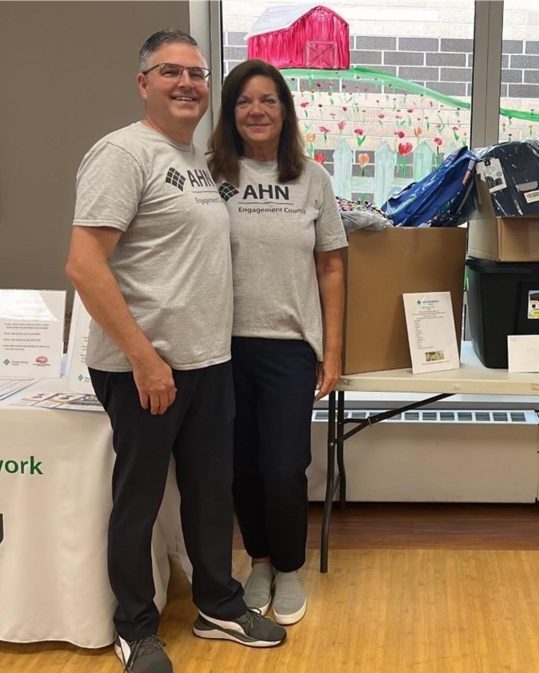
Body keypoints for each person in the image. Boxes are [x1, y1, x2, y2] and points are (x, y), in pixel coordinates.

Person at [66, 30, 286, 672]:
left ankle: (218, 604)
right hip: (145, 369)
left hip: (207, 362)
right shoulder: (122, 154)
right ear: (143, 83)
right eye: (171, 72)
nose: (187, 83)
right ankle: (134, 626)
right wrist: (143, 358)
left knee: (210, 494)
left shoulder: (195, 161)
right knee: (137, 502)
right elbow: (84, 265)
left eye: (197, 73)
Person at [207, 59, 347, 626]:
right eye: (244, 101)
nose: (257, 110)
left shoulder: (312, 179)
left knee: (285, 466)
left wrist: (332, 351)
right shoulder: (209, 175)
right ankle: (260, 562)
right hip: (220, 346)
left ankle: (289, 567)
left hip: (290, 347)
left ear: (285, 110)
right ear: (230, 113)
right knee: (240, 464)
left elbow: (331, 267)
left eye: (268, 100)